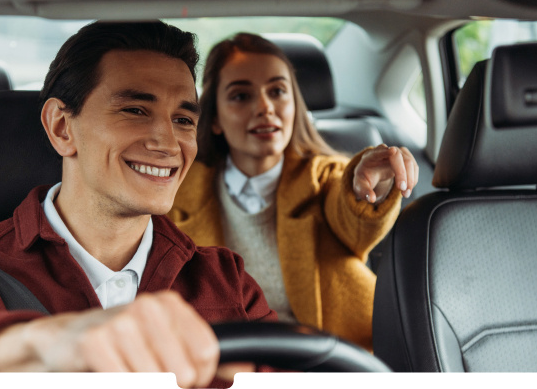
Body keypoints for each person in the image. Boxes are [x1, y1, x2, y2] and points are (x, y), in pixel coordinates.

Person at [0, 21, 275, 388]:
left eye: (184, 120)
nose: (168, 143)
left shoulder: (226, 279)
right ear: (62, 128)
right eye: (135, 110)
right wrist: (50, 342)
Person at [167, 33, 418, 351]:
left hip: (334, 362)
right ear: (214, 118)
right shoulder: (176, 192)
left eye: (277, 91)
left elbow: (352, 215)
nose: (265, 107)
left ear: (294, 106)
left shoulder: (327, 177)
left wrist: (365, 186)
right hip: (228, 364)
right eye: (241, 96)